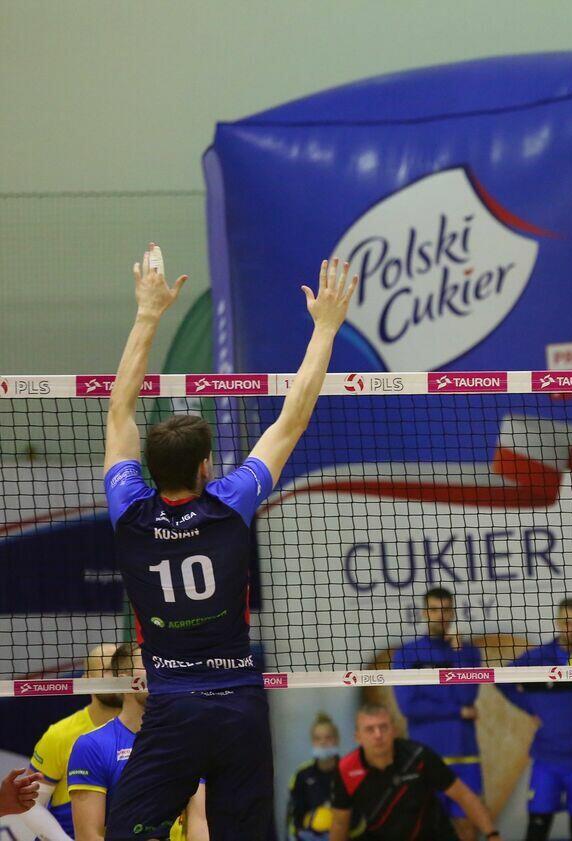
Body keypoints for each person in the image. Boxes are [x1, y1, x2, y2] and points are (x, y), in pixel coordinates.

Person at [101, 247, 358, 837]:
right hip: (238, 705)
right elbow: (292, 418)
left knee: (127, 832)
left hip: (173, 711)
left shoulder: (130, 511)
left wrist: (147, 313)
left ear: (149, 470)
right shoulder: (229, 504)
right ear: (203, 469)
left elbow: (119, 414)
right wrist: (325, 327)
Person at [67, 643, 208, 841]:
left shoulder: (185, 741)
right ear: (125, 680)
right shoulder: (92, 746)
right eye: (148, 664)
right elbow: (89, 836)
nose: (159, 672)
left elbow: (199, 823)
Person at [497, 598, 572, 841]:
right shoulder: (538, 657)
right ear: (557, 622)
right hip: (547, 758)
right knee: (538, 827)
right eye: (567, 622)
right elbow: (501, 678)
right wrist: (530, 707)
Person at [329, 703, 497, 841]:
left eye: (383, 727)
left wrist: (492, 835)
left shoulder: (419, 756)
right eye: (370, 729)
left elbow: (464, 796)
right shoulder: (346, 769)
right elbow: (340, 823)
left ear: (394, 731)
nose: (378, 735)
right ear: (357, 737)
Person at [393, 586, 484, 841]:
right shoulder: (406, 654)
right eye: (434, 610)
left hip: (464, 753)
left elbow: (467, 696)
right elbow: (409, 707)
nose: (441, 616)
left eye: (446, 610)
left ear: (453, 613)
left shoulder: (468, 652)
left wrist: (458, 653)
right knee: (425, 829)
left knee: (468, 828)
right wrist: (457, 711)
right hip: (425, 756)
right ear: (424, 613)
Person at [19, 642, 122, 840]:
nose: (118, 676)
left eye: (122, 669)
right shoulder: (60, 735)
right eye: (108, 670)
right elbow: (29, 804)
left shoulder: (147, 731)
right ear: (86, 680)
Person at [287, 712, 343, 841]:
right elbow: (294, 818)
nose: (323, 742)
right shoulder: (301, 775)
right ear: (312, 742)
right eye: (318, 738)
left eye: (328, 738)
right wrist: (312, 821)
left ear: (337, 740)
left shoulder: (348, 772)